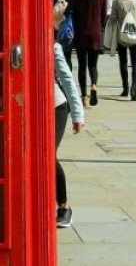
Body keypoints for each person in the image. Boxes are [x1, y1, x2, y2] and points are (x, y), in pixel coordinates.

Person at [54, 42, 85, 228]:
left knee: (48, 155)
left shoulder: (52, 46)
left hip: (55, 106)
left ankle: (64, 206)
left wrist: (78, 114)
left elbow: (67, 79)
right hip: (25, 106)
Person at [67, 0, 106, 107]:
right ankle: (94, 85)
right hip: (95, 32)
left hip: (81, 31)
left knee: (82, 66)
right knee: (93, 65)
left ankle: (84, 96)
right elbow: (103, 15)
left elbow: (69, 12)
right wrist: (100, 28)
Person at [110, 0, 136, 100]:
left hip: (121, 36)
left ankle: (125, 88)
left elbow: (113, 18)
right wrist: (135, 25)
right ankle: (134, 86)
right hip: (135, 35)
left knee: (123, 62)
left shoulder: (117, 1)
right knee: (135, 63)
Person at [53, 0, 73, 70]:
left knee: (55, 54)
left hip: (53, 28)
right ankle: (68, 75)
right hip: (66, 28)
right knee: (67, 55)